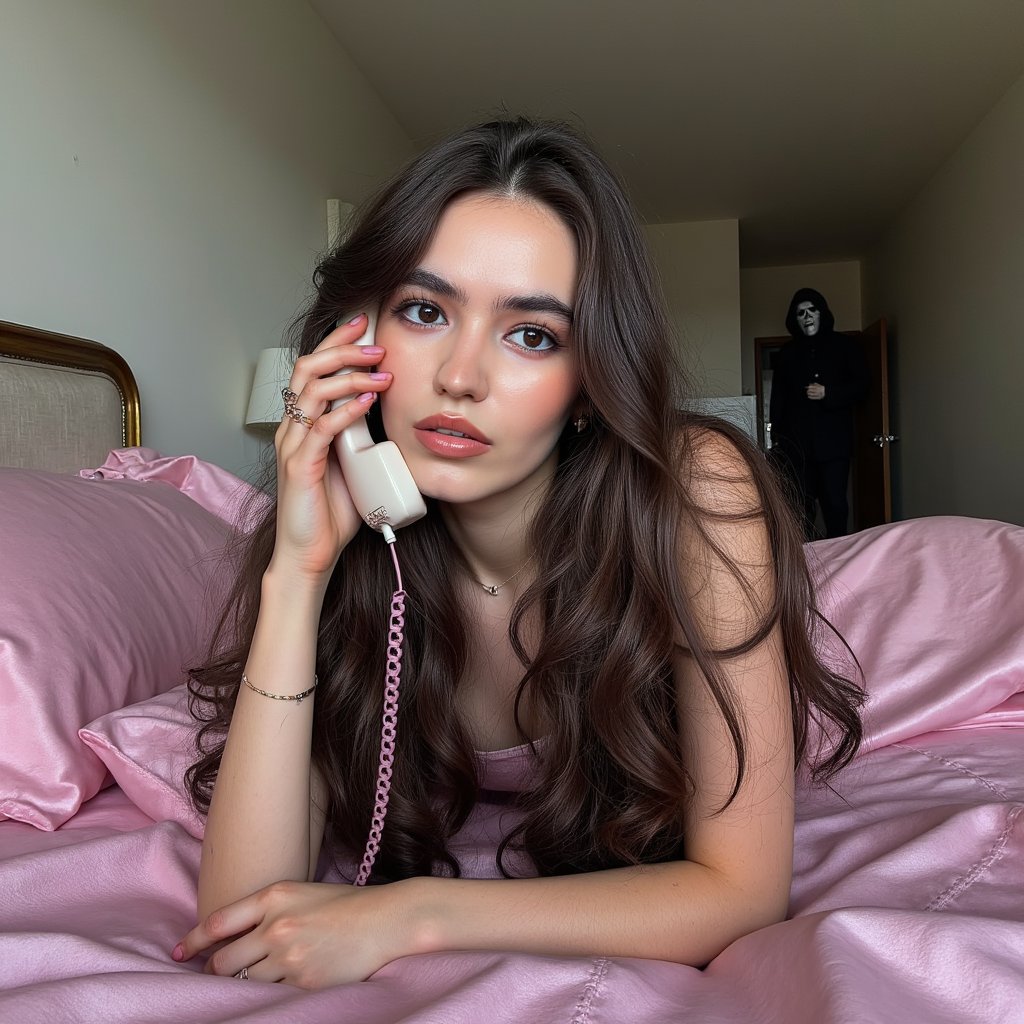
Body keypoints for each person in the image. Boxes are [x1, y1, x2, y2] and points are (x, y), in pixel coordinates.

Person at [173, 118, 864, 988]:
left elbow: (742, 888)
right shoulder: (355, 542)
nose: (461, 376)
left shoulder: (699, 489)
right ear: (354, 338)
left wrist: (411, 915)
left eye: (530, 334)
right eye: (425, 312)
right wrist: (297, 574)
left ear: (588, 384)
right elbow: (243, 912)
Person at [768, 289, 870, 539]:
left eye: (811, 310)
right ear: (795, 319)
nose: (807, 316)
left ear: (822, 313)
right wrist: (777, 440)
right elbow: (778, 398)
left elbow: (863, 385)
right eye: (800, 313)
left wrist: (829, 393)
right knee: (800, 505)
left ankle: (840, 555)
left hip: (834, 447)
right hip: (797, 448)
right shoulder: (787, 354)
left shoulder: (845, 347)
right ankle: (806, 559)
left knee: (835, 503)